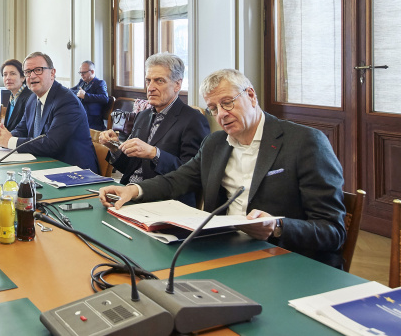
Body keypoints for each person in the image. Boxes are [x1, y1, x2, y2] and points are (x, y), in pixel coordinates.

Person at [99, 69, 347, 267]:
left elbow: (333, 230)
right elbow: (177, 180)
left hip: (284, 259)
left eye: (227, 103)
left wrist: (277, 226)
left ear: (251, 95)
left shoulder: (305, 143)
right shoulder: (216, 143)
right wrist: (133, 191)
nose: (221, 115)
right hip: (222, 250)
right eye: (214, 109)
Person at [98, 53, 209, 205]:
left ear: (177, 84)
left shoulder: (193, 120)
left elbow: (192, 175)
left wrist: (154, 153)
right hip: (127, 193)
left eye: (159, 81)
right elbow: (130, 167)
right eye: (148, 81)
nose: (150, 88)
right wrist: (114, 148)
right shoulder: (143, 115)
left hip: (164, 201)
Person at [0, 52, 98, 172]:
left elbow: (52, 144)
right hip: (44, 164)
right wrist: (2, 137)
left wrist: (10, 141)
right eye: (27, 72)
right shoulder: (32, 98)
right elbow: (22, 129)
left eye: (38, 70)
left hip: (73, 171)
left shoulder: (66, 100)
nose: (32, 76)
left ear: (52, 73)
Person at [70, 60, 109, 130]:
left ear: (92, 72)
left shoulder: (100, 83)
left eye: (84, 72)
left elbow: (104, 98)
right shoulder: (82, 82)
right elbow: (71, 91)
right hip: (79, 118)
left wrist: (85, 96)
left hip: (92, 122)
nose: (82, 75)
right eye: (80, 72)